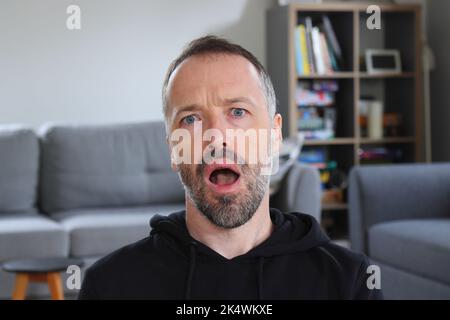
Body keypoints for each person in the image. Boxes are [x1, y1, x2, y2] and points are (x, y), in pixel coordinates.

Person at [78, 35, 383, 299]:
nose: (216, 136)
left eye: (238, 111)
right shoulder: (110, 286)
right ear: (173, 147)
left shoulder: (350, 283)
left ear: (275, 136)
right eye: (191, 119)